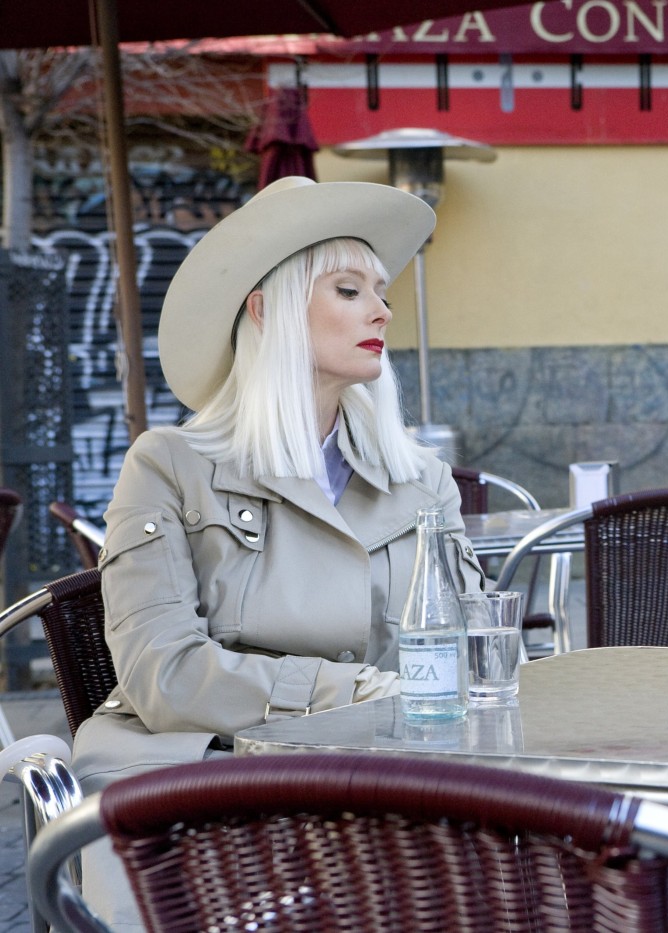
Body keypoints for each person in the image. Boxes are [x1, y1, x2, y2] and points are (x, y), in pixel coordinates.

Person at [72, 176, 485, 927]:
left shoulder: (421, 479)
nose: (382, 311)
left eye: (383, 292)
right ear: (267, 308)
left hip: (384, 784)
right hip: (205, 789)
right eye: (349, 289)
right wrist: (348, 691)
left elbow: (475, 652)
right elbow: (162, 674)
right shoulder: (168, 463)